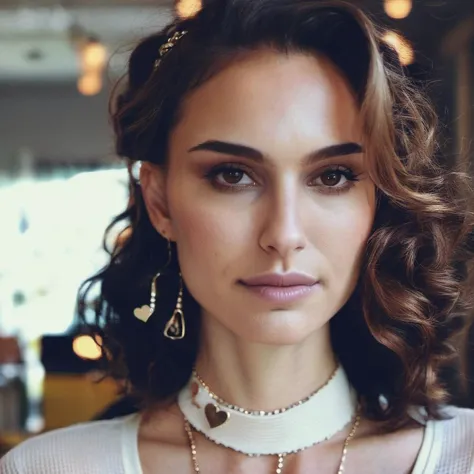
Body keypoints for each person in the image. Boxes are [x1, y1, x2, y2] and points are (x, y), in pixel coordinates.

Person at [2, 0, 474, 472]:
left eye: (332, 177)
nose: (284, 234)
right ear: (160, 201)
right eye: (233, 175)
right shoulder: (48, 466)